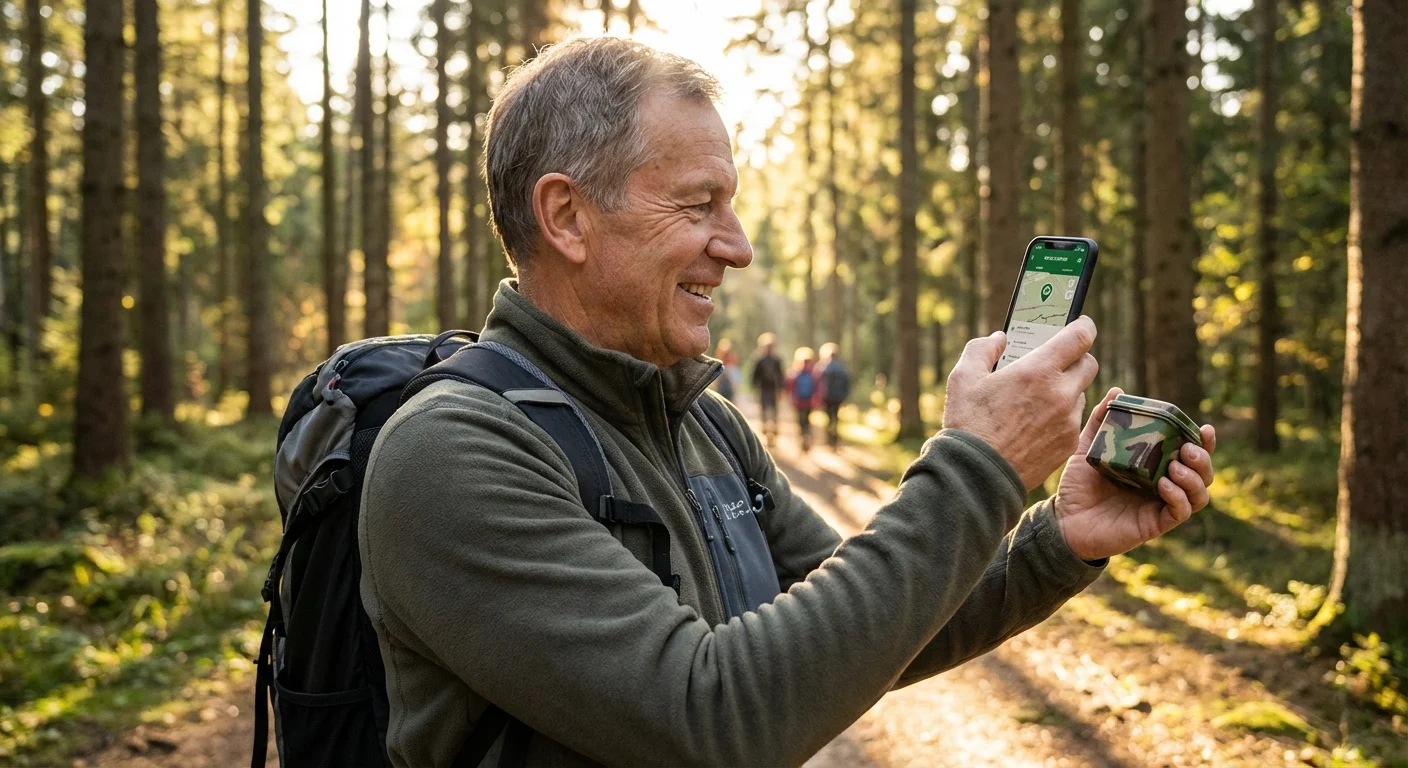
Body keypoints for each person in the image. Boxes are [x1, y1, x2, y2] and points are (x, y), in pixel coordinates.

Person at [359, 37, 1218, 768]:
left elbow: (862, 627)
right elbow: (711, 716)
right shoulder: (451, 454)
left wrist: (1056, 541)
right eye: (698, 205)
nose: (736, 247)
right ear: (567, 217)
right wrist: (979, 465)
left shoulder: (702, 421)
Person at [750, 332, 785, 446]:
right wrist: (755, 388)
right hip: (763, 389)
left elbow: (780, 376)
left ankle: (774, 433)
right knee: (765, 412)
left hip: (773, 390)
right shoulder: (759, 360)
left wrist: (781, 390)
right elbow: (755, 376)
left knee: (773, 412)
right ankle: (766, 432)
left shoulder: (777, 360)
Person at [817, 342, 851, 449]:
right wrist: (844, 396)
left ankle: (829, 438)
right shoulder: (842, 367)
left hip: (827, 398)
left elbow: (818, 382)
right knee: (835, 417)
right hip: (838, 397)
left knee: (829, 417)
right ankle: (834, 438)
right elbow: (847, 383)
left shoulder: (823, 366)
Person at [786, 347, 821, 452]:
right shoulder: (813, 372)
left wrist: (791, 399)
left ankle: (802, 439)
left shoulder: (794, 372)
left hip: (799, 401)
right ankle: (807, 438)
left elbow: (790, 388)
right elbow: (817, 387)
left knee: (800, 421)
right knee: (807, 421)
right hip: (808, 401)